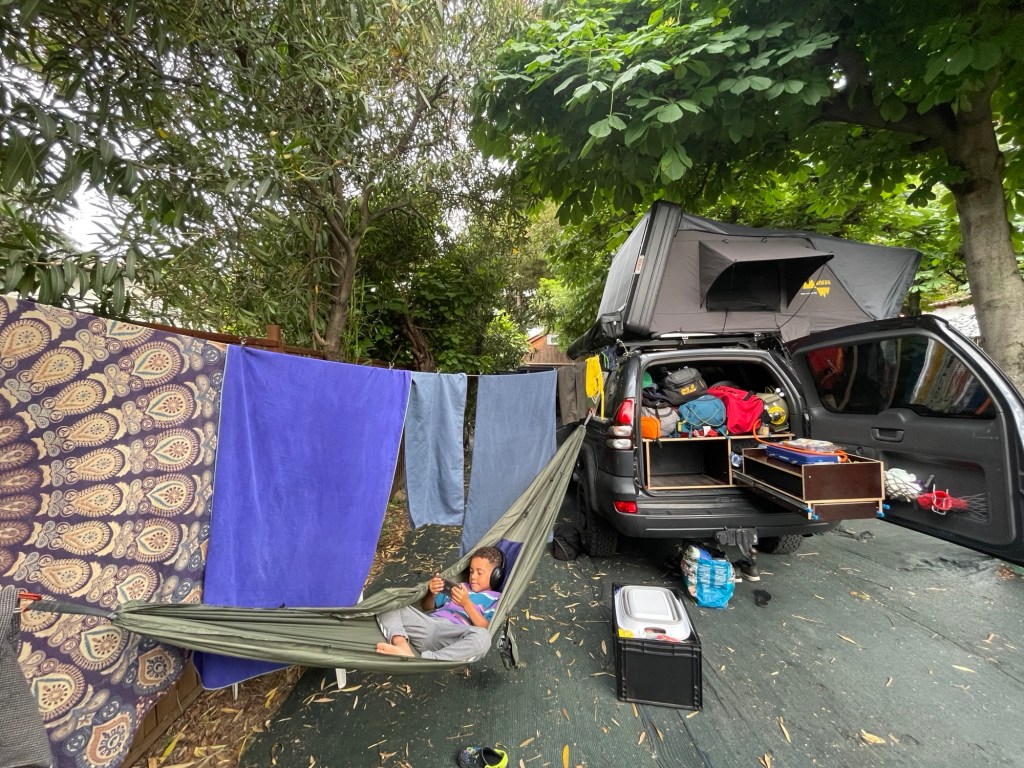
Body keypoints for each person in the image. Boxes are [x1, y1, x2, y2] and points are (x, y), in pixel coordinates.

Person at [375, 546, 503, 660]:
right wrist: (432, 593)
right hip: (429, 624)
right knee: (388, 601)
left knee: (484, 638)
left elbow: (486, 627)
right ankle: (402, 646)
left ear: (495, 575)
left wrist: (466, 604)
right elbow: (427, 607)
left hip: (454, 636)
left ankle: (428, 661)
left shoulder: (496, 598)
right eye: (471, 571)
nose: (473, 576)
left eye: (479, 573)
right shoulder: (460, 586)